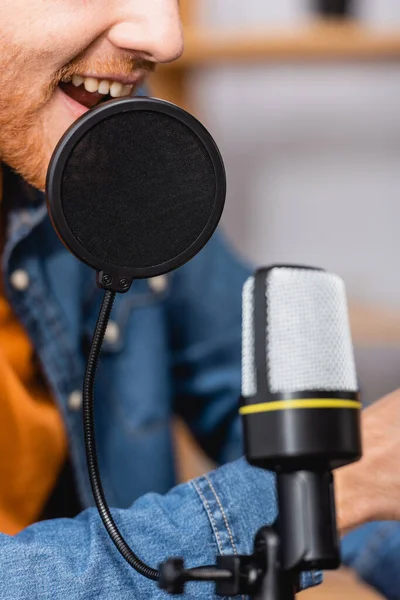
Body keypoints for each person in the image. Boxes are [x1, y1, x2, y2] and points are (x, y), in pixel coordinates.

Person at [0, 1, 399, 598]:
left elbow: (252, 384)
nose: (167, 37)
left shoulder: (111, 161)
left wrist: (362, 477)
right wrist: (327, 494)